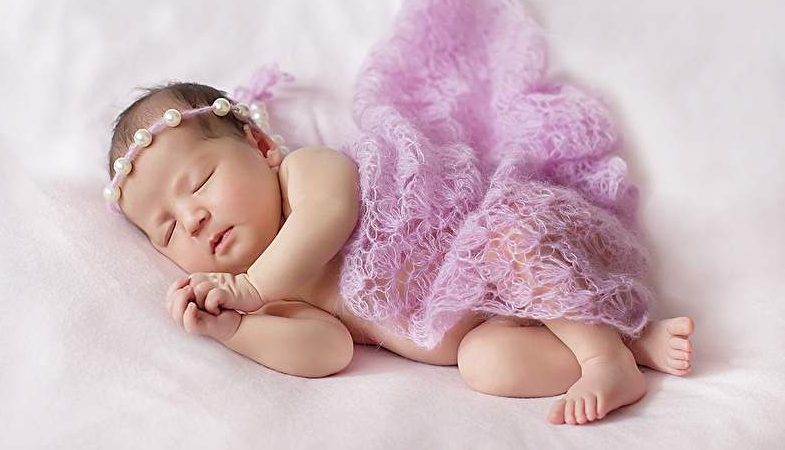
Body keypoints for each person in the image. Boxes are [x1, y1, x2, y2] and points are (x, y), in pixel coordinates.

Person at [106, 80, 694, 426]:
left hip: (494, 236)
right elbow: (327, 350)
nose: (192, 218)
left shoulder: (305, 174)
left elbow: (329, 215)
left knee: (511, 238)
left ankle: (602, 357)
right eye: (167, 230)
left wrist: (252, 287)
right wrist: (234, 328)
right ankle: (631, 344)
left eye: (200, 182)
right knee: (487, 367)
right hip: (478, 329)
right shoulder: (279, 298)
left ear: (260, 146)